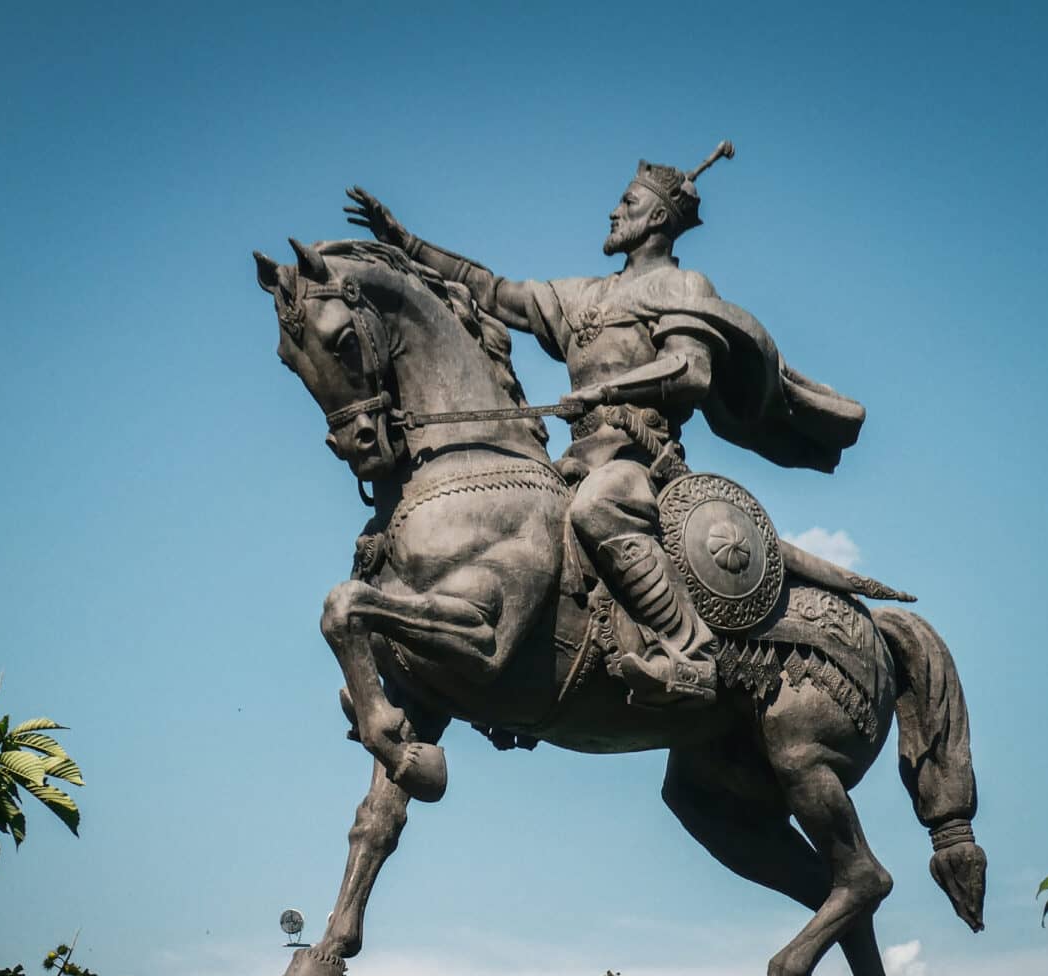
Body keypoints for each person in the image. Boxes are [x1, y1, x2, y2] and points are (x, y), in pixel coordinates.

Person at [345, 142, 866, 708]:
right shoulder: (584, 296)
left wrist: (606, 389)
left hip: (638, 465)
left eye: (626, 202)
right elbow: (494, 292)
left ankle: (688, 653)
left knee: (597, 507)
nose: (613, 212)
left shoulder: (685, 286)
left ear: (658, 217)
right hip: (575, 461)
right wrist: (405, 241)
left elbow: (691, 371)